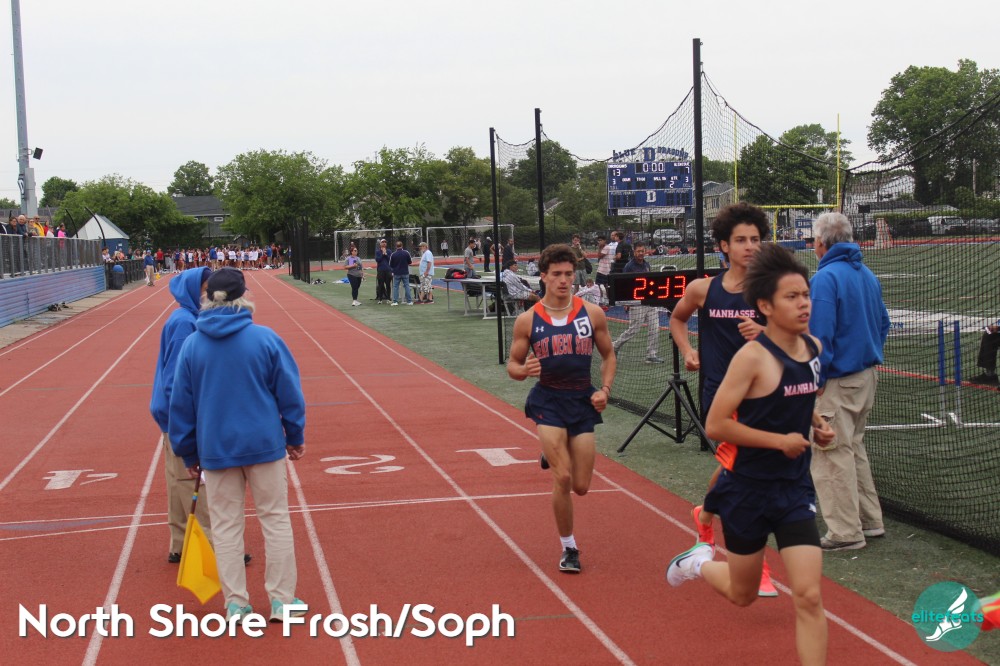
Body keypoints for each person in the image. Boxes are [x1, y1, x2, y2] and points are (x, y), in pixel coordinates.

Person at [666, 244, 836, 666]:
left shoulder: (813, 349)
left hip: (793, 489)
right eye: (791, 297)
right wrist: (779, 441)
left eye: (806, 295)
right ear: (765, 306)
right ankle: (696, 564)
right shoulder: (751, 358)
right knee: (742, 595)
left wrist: (817, 424)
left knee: (809, 596)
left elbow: (798, 399)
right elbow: (717, 425)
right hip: (747, 490)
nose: (803, 304)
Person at [168, 268, 307, 622]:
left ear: (206, 298)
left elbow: (180, 405)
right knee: (275, 519)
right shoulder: (265, 339)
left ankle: (235, 603)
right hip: (263, 445)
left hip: (216, 450)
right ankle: (281, 600)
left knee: (226, 526)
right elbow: (290, 393)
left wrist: (188, 452)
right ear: (244, 296)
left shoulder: (192, 345)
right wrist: (295, 436)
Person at [670, 202, 776, 596]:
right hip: (721, 397)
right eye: (741, 240)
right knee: (748, 474)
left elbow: (797, 339)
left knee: (739, 471)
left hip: (764, 395)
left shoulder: (772, 291)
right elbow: (677, 318)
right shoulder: (704, 289)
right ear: (724, 246)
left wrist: (766, 334)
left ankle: (705, 514)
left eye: (755, 239)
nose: (750, 246)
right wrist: (688, 350)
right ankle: (752, 564)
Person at [506, 244, 617, 574]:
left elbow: (608, 356)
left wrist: (605, 390)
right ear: (543, 276)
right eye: (556, 274)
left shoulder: (592, 313)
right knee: (563, 477)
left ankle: (550, 452)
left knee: (581, 486)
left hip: (582, 400)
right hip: (548, 401)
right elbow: (513, 365)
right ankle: (569, 548)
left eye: (568, 274)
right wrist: (523, 370)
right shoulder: (528, 320)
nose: (564, 280)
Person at [809, 212, 890, 551]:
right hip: (865, 374)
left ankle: (845, 531)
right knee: (853, 448)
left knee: (830, 451)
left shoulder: (826, 278)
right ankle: (869, 520)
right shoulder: (866, 274)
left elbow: (819, 335)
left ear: (821, 242)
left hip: (838, 379)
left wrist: (817, 376)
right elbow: (883, 323)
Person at [149, 267, 223, 564]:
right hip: (178, 415)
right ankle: (213, 546)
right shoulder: (184, 323)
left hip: (171, 413)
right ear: (195, 290)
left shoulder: (187, 318)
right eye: (206, 289)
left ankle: (179, 542)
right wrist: (188, 421)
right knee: (194, 481)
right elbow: (175, 381)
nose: (211, 295)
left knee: (176, 478)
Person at [611, 242, 663, 364]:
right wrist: (626, 302)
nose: (641, 253)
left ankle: (651, 355)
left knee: (654, 328)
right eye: (638, 251)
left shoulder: (646, 265)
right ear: (634, 252)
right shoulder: (629, 267)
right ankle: (614, 346)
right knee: (633, 330)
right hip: (636, 303)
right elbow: (625, 285)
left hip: (649, 302)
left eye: (642, 251)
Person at [388, 240, 413, 306]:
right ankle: (409, 301)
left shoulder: (393, 254)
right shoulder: (406, 253)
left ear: (396, 246)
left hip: (396, 273)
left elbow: (390, 264)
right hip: (405, 272)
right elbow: (410, 262)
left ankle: (395, 301)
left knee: (396, 287)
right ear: (402, 246)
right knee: (407, 286)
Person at [374, 239, 392, 304]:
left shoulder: (389, 251)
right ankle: (380, 299)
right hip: (380, 270)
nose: (384, 243)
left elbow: (390, 259)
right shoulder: (378, 251)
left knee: (388, 284)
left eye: (385, 242)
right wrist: (382, 254)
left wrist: (386, 254)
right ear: (380, 244)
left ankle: (388, 298)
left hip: (388, 270)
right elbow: (377, 260)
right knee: (381, 285)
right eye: (383, 242)